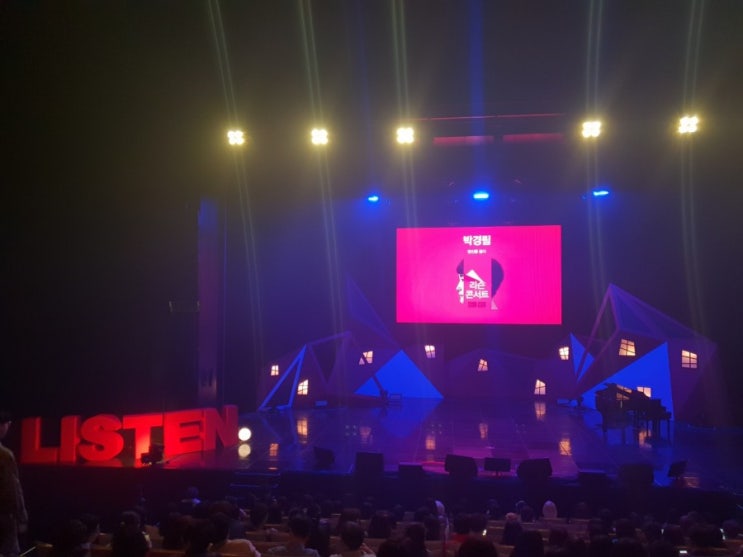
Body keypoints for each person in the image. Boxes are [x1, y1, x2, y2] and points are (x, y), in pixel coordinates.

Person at [0, 411, 28, 557]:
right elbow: (12, 489)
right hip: (3, 516)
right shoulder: (4, 455)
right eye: (6, 424)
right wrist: (21, 517)